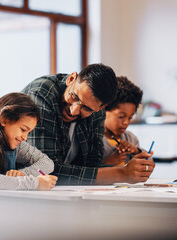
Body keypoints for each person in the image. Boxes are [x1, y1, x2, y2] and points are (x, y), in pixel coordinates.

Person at [22, 63, 155, 185]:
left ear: (100, 108)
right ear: (71, 79)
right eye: (74, 97)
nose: (73, 110)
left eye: (86, 108)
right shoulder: (41, 95)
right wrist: (121, 173)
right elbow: (45, 170)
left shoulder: (97, 114)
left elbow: (91, 166)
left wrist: (132, 170)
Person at [103, 76, 146, 166]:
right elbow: (86, 172)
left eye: (130, 118)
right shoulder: (94, 140)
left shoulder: (130, 138)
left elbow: (148, 162)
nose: (126, 122)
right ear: (104, 109)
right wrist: (109, 162)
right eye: (121, 116)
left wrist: (136, 151)